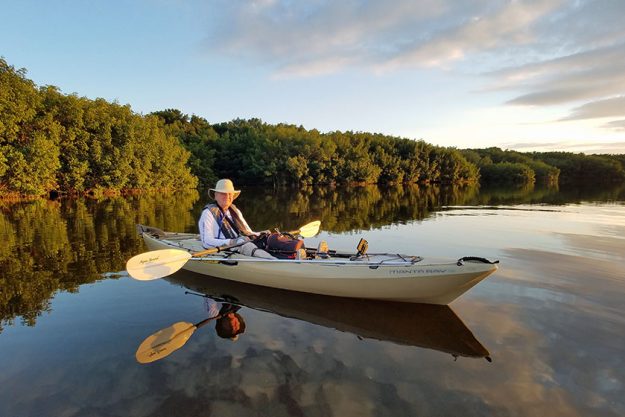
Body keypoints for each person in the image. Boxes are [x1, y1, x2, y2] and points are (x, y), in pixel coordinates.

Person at [198, 179, 274, 258]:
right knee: (248, 247)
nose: (227, 196)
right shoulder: (208, 213)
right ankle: (274, 261)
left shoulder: (236, 211)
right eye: (223, 193)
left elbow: (248, 232)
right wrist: (231, 242)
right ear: (215, 195)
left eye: (229, 194)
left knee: (268, 239)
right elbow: (206, 242)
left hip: (240, 243)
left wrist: (260, 234)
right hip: (227, 247)